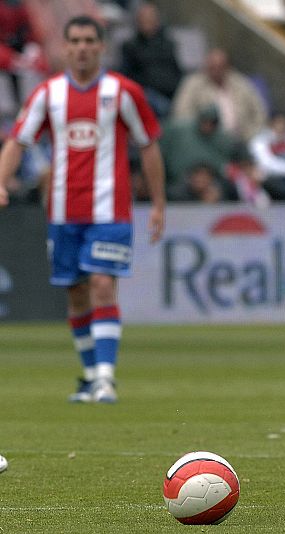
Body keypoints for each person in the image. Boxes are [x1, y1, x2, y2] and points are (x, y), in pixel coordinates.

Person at [0, 15, 166, 404]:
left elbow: (149, 145)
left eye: (90, 40)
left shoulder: (123, 92)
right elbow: (18, 140)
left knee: (103, 285)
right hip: (62, 212)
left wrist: (158, 203)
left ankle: (106, 378)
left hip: (111, 213)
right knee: (76, 293)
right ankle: (91, 376)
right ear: (65, 46)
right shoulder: (48, 93)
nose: (82, 47)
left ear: (101, 46)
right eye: (74, 40)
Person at [171, 47, 267, 141]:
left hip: (244, 138)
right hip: (207, 141)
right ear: (206, 66)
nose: (216, 71)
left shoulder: (240, 82)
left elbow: (259, 111)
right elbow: (181, 115)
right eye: (212, 67)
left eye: (220, 67)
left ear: (228, 67)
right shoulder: (192, 84)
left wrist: (252, 133)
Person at [119, 2, 183, 118]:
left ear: (157, 20)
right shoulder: (130, 46)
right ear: (137, 21)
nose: (147, 22)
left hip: (172, 93)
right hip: (147, 95)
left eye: (151, 18)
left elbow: (177, 71)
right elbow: (126, 75)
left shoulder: (169, 44)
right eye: (144, 18)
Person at [159, 104, 237, 192]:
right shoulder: (180, 130)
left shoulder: (223, 140)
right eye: (205, 121)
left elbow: (226, 168)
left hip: (210, 185)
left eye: (212, 123)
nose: (207, 126)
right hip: (179, 182)